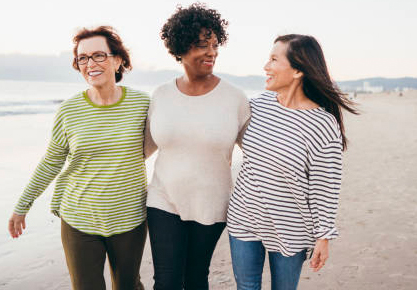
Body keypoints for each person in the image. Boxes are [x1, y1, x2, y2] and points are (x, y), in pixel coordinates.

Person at [8, 26, 149, 290]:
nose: (89, 64)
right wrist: (22, 205)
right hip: (79, 218)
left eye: (98, 55)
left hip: (129, 218)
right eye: (82, 58)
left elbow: (169, 141)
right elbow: (51, 161)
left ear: (118, 60)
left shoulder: (143, 104)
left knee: (128, 286)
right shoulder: (69, 110)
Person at [227, 34, 358, 290]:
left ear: (298, 70)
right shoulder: (257, 105)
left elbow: (325, 187)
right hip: (244, 217)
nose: (266, 66)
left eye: (274, 59)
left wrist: (323, 236)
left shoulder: (322, 125)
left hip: (291, 228)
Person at [143, 3, 250, 289]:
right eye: (202, 44)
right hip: (163, 199)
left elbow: (257, 153)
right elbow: (142, 149)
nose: (211, 52)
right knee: (166, 281)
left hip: (211, 204)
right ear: (180, 47)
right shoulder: (161, 95)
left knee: (195, 278)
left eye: (214, 44)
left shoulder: (234, 98)